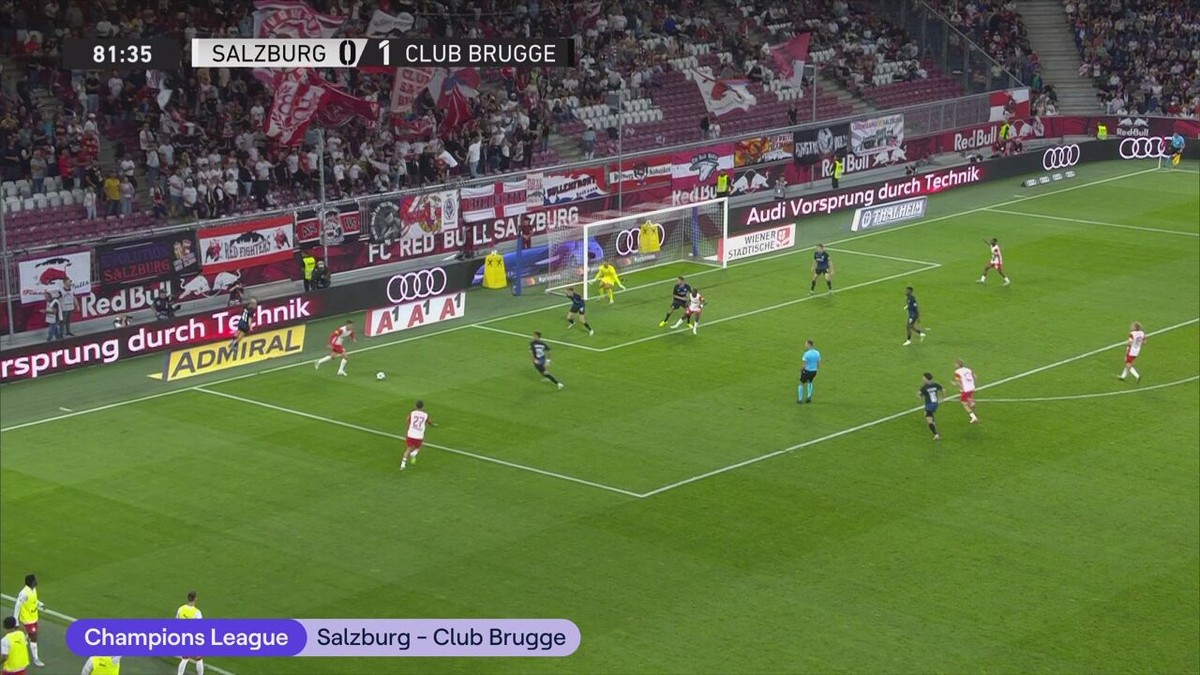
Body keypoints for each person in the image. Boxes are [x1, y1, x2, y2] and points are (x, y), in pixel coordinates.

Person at [11, 574, 43, 667]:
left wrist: (40, 604)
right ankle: (36, 659)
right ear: (32, 582)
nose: (37, 581)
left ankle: (22, 641)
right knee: (34, 637)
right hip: (27, 619)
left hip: (34, 617)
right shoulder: (24, 593)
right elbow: (18, 606)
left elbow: (34, 600)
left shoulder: (33, 589)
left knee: (32, 634)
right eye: (35, 580)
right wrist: (15, 620)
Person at [400, 400, 434, 470]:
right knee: (418, 447)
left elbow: (407, 420)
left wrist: (409, 427)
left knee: (408, 449)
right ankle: (414, 453)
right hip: (419, 435)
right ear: (423, 407)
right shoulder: (425, 415)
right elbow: (430, 422)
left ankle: (403, 464)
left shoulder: (412, 413)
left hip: (410, 434)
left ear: (415, 406)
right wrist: (431, 424)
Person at [175, 591, 203, 675]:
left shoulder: (181, 609)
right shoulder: (197, 612)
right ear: (195, 599)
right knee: (198, 658)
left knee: (185, 658)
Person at [917, 372, 944, 441]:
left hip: (929, 405)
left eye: (923, 377)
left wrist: (918, 395)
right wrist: (942, 397)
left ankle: (936, 434)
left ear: (926, 378)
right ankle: (934, 424)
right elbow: (943, 389)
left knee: (929, 420)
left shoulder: (924, 387)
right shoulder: (935, 384)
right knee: (928, 415)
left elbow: (919, 395)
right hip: (935, 404)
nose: (923, 379)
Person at [953, 359, 980, 424]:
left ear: (958, 365)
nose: (954, 365)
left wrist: (954, 384)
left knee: (964, 403)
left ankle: (973, 417)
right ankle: (972, 403)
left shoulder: (957, 372)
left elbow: (958, 381)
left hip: (965, 389)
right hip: (972, 387)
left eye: (955, 364)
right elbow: (975, 376)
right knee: (969, 398)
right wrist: (972, 383)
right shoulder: (968, 369)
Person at [798, 339, 820, 404]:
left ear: (809, 344)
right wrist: (816, 369)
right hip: (814, 371)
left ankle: (800, 400)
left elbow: (804, 365)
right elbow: (818, 363)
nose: (805, 345)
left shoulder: (806, 354)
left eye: (806, 344)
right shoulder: (817, 353)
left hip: (807, 371)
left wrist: (801, 370)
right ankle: (809, 397)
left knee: (801, 383)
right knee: (810, 382)